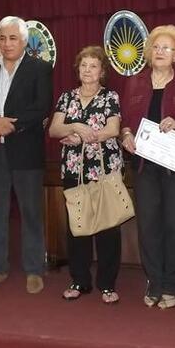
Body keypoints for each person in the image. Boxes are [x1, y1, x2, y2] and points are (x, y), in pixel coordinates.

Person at [120, 25, 175, 309]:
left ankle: (173, 281)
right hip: (145, 166)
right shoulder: (135, 82)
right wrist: (127, 135)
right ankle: (154, 279)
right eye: (156, 47)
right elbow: (126, 122)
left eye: (167, 48)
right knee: (149, 224)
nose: (160, 52)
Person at [0, 16, 53, 294]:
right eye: (3, 38)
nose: (6, 44)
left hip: (26, 151)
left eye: (12, 38)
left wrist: (8, 127)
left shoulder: (39, 68)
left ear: (24, 41)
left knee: (31, 212)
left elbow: (41, 107)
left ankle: (34, 269)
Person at [48, 46, 123, 304]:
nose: (87, 70)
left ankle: (107, 284)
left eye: (93, 66)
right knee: (77, 227)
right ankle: (79, 280)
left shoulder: (110, 97)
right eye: (83, 66)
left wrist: (83, 135)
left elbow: (113, 129)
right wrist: (73, 126)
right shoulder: (66, 97)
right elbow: (54, 129)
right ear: (77, 70)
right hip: (73, 170)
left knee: (107, 228)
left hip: (103, 170)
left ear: (102, 71)